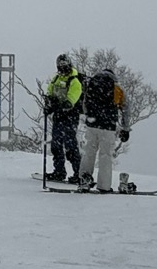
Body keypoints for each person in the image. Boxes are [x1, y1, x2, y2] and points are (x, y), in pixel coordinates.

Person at [78, 65, 130, 192]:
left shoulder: (92, 83)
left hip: (92, 125)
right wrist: (125, 128)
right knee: (105, 155)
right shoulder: (117, 87)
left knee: (89, 152)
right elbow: (125, 108)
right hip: (108, 126)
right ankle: (104, 185)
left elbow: (85, 103)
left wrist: (89, 117)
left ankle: (84, 180)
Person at [44, 54, 83, 183]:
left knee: (70, 145)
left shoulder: (74, 81)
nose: (62, 67)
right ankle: (59, 171)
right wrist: (49, 104)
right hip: (59, 117)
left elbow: (70, 101)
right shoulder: (56, 79)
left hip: (70, 117)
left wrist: (56, 107)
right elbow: (50, 92)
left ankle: (78, 173)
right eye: (60, 65)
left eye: (64, 65)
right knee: (56, 144)